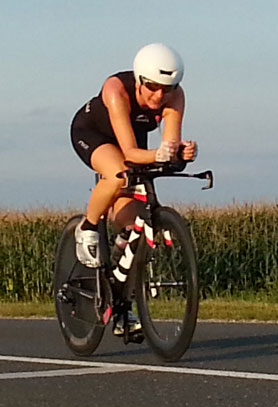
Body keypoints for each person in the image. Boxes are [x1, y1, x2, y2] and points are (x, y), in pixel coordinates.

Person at [70, 43, 198, 335]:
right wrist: (161, 154)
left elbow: (169, 147)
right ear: (140, 80)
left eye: (167, 88)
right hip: (94, 134)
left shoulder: (174, 97)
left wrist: (182, 153)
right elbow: (128, 153)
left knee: (133, 226)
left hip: (134, 140)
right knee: (117, 175)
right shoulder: (117, 89)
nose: (159, 95)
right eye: (152, 86)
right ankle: (87, 228)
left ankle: (121, 307)